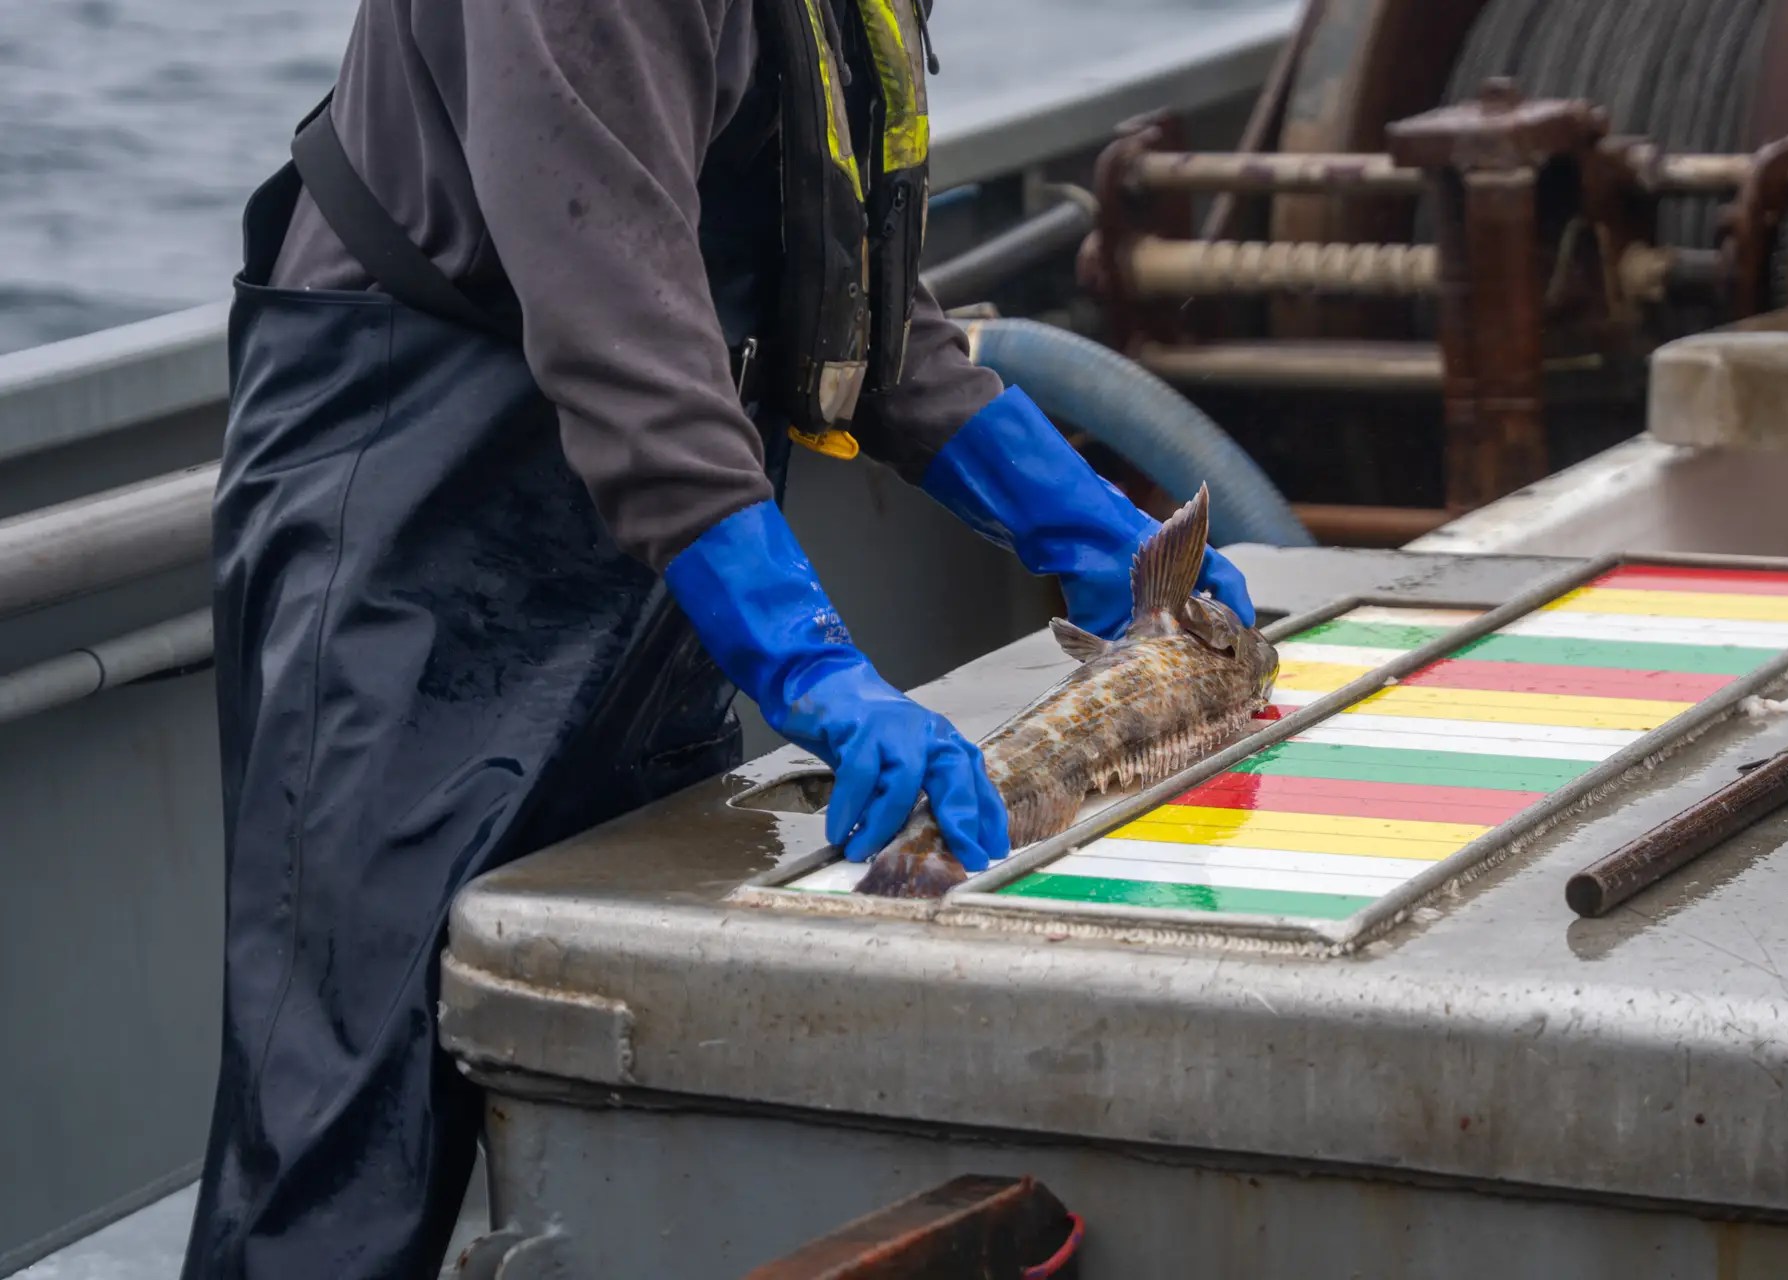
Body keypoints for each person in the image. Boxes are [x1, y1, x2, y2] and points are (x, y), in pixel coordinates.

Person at [180, 0, 1256, 1273]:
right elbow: (615, 326)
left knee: (635, 1004)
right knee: (346, 1138)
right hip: (414, 528)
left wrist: (1070, 512)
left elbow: (844, 280)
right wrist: (812, 662)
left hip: (666, 554)